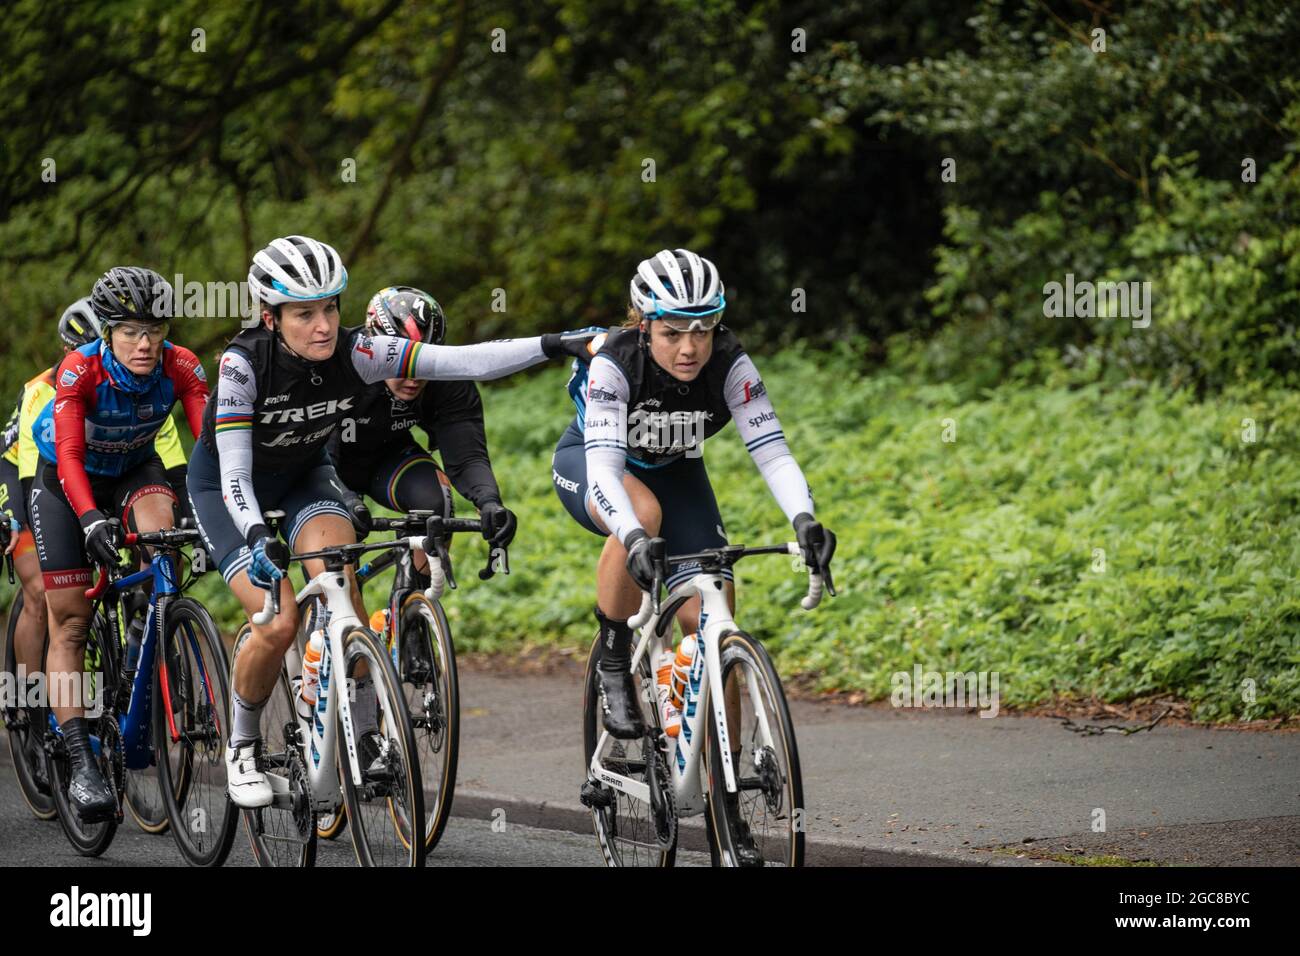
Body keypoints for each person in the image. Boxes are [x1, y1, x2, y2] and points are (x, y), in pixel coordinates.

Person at [187, 234, 594, 808]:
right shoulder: (242, 365)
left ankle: (328, 701)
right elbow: (232, 471)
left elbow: (466, 360)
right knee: (276, 622)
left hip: (305, 477)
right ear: (270, 317)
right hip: (230, 490)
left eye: (330, 308)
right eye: (305, 314)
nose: (324, 325)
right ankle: (244, 745)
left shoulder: (360, 353)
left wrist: (556, 343)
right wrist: (257, 534)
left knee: (340, 588)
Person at [551, 246, 836, 751]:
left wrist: (804, 520)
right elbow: (604, 472)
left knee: (714, 621)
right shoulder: (616, 363)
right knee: (643, 513)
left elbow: (772, 455)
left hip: (678, 472)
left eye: (702, 330)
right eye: (673, 333)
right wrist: (637, 537)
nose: (689, 348)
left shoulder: (730, 363)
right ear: (644, 326)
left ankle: (721, 785)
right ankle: (614, 664)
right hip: (595, 466)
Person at [28, 270, 208, 821]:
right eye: (130, 330)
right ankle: (81, 760)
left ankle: (144, 642)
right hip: (66, 481)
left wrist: (218, 506)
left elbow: (212, 445)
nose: (145, 342)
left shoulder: (181, 366)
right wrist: (88, 519)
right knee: (73, 621)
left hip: (135, 467)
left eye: (155, 328)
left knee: (164, 550)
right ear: (106, 333)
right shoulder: (78, 371)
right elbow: (71, 457)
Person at [326, 286, 517, 563]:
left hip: (389, 458)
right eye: (402, 365)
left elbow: (467, 457)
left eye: (423, 364)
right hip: (327, 465)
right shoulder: (341, 366)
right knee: (340, 570)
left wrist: (489, 502)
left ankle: (416, 598)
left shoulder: (446, 378)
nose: (414, 378)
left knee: (435, 502)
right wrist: (343, 498)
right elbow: (320, 456)